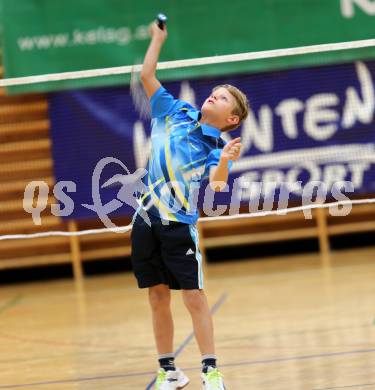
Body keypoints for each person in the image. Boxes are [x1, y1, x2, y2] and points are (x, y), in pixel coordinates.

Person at [131, 19, 249, 390]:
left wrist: (228, 160)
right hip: (146, 219)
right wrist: (157, 39)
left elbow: (216, 186)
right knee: (156, 295)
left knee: (194, 297)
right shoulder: (173, 110)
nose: (214, 94)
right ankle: (169, 370)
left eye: (224, 96)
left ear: (231, 119)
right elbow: (147, 74)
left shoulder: (216, 147)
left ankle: (210, 370)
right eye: (215, 91)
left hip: (179, 225)